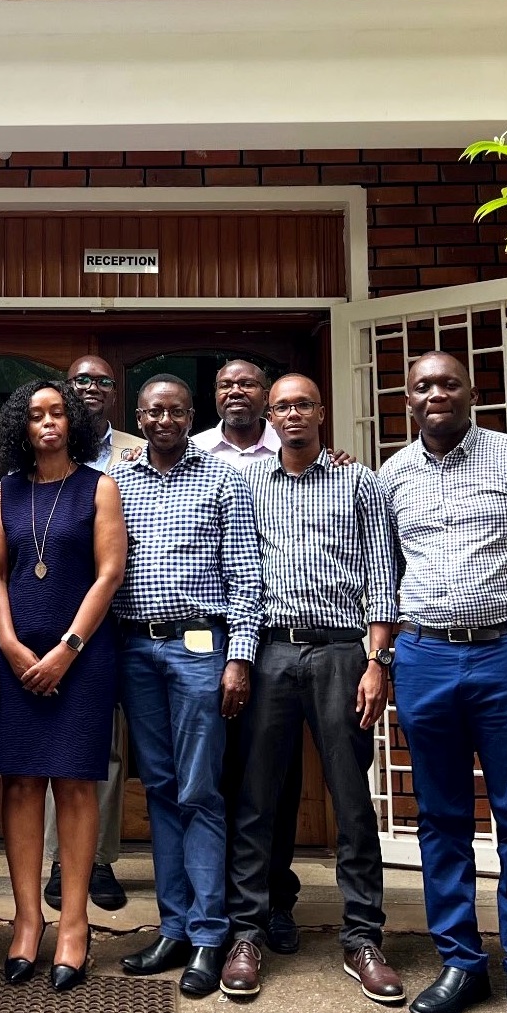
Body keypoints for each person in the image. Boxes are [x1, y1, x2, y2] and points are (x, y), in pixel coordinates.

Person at [380, 352, 507, 1013]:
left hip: (506, 655)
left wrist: (499, 609)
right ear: (408, 400)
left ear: (470, 392)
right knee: (441, 817)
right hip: (426, 655)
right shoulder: (392, 476)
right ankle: (460, 962)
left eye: (447, 383)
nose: (436, 394)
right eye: (422, 385)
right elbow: (388, 567)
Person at [222, 374, 404, 1006]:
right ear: (268, 417)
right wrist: (241, 658)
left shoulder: (360, 482)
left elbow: (384, 572)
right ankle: (246, 931)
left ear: (322, 413)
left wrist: (377, 661)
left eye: (304, 404)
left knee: (351, 799)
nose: (293, 414)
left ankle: (362, 937)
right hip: (269, 649)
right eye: (282, 407)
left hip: (340, 652)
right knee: (255, 799)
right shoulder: (243, 484)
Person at [112, 374, 262, 998]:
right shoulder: (116, 482)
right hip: (134, 648)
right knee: (162, 788)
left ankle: (208, 934)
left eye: (176, 410)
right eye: (153, 411)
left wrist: (240, 660)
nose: (165, 420)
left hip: (201, 646)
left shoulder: (223, 477)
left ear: (189, 415)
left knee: (200, 789)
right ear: (139, 418)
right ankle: (173, 925)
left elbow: (248, 576)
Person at [0, 379, 126, 992]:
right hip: (18, 660)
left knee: (73, 786)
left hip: (82, 659)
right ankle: (25, 920)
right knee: (19, 786)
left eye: (58, 413)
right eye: (36, 414)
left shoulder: (99, 486)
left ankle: (73, 924)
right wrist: (11, 645)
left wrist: (66, 649)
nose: (47, 423)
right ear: (22, 424)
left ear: (75, 424)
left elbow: (109, 573)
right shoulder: (6, 491)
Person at [193, 356, 305, 954]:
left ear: (266, 395)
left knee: (273, 779)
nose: (236, 391)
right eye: (225, 383)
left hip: (277, 639)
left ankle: (275, 898)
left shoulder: (292, 451)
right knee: (218, 773)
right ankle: (227, 905)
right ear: (214, 396)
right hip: (208, 637)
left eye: (247, 383)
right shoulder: (192, 452)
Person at [39, 356, 142, 914]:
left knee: (107, 748)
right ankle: (58, 861)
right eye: (81, 381)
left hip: (125, 616)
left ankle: (97, 860)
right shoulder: (49, 446)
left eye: (104, 379)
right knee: (62, 741)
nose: (92, 389)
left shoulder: (139, 443)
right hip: (58, 619)